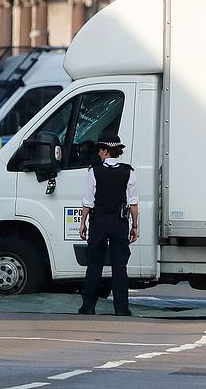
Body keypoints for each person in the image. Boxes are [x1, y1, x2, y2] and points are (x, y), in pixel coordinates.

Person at [78, 133, 138, 316]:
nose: (98, 153)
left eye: (100, 149)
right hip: (120, 221)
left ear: (105, 151)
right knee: (120, 266)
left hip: (99, 221)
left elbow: (88, 201)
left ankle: (88, 306)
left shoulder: (94, 171)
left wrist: (83, 223)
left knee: (94, 263)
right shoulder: (129, 172)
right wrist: (134, 225)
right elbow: (133, 203)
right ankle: (121, 308)